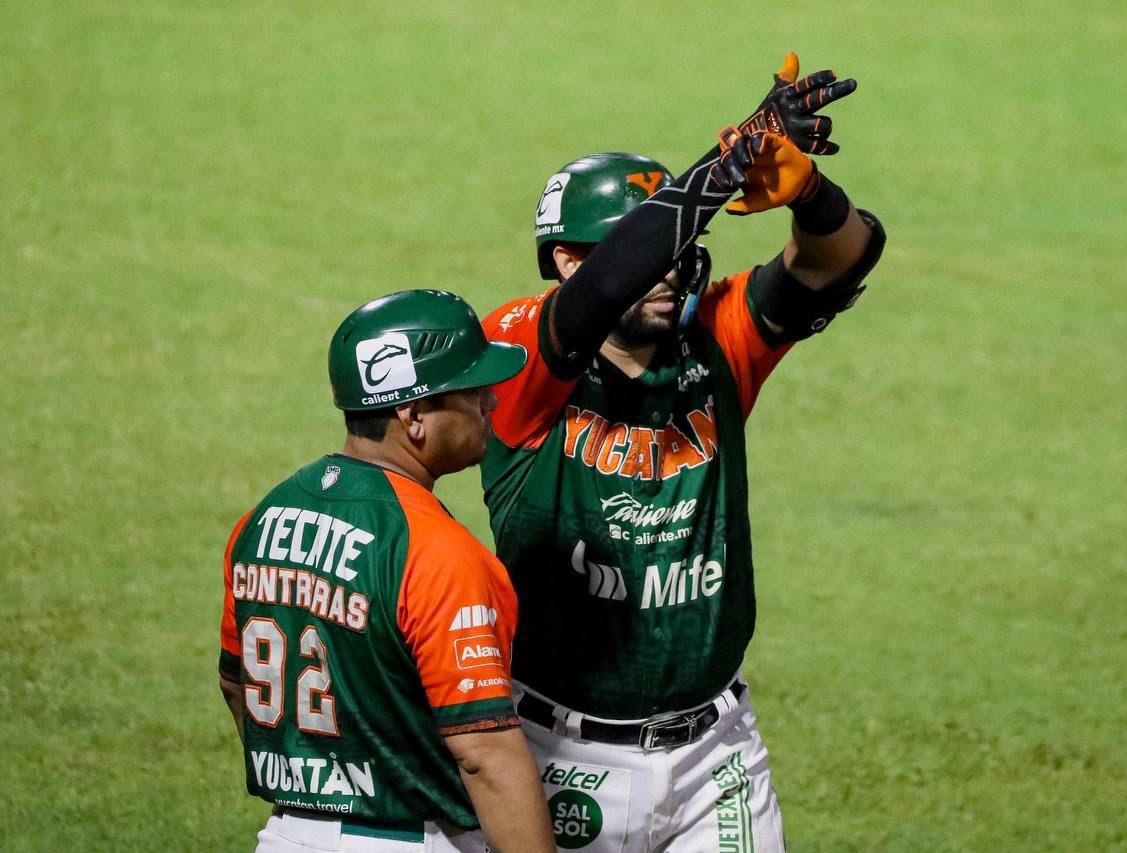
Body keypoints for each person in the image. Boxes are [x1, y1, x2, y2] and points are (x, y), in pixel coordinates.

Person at [478, 54, 887, 850]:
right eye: (643, 245)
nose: (668, 267)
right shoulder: (517, 354)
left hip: (715, 755)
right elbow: (600, 294)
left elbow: (843, 256)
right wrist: (719, 170)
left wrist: (807, 191)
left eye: (674, 243)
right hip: (558, 755)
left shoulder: (717, 338)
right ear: (567, 259)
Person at [218, 289, 557, 852]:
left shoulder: (261, 520)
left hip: (286, 837)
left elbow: (236, 681)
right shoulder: (438, 553)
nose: (491, 405)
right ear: (413, 414)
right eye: (472, 391)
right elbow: (484, 754)